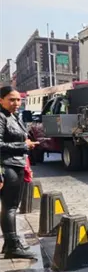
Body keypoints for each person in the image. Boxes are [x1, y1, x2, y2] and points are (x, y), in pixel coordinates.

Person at [0, 86, 38, 260]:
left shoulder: (13, 116)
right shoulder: (1, 117)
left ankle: (10, 243)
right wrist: (24, 146)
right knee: (10, 206)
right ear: (1, 100)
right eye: (11, 99)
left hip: (16, 165)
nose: (15, 103)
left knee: (11, 206)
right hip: (7, 166)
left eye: (18, 99)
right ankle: (12, 245)